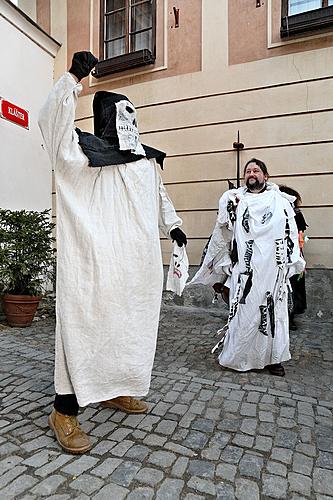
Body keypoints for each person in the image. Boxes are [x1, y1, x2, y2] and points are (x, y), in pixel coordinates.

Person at [38, 51, 187, 454]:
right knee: (82, 330)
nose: (129, 125)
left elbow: (159, 198)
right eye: (121, 116)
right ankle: (64, 411)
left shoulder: (144, 163)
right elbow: (51, 125)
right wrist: (72, 78)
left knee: (127, 330)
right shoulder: (79, 154)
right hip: (92, 265)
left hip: (135, 267)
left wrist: (173, 227)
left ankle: (114, 388)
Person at [190, 158, 305, 377]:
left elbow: (290, 233)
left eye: (256, 170)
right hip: (245, 272)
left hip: (273, 271)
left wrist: (292, 261)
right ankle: (240, 356)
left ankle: (273, 360)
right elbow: (222, 232)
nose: (252, 173)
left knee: (273, 314)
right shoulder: (234, 199)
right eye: (248, 170)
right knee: (245, 313)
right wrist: (219, 265)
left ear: (265, 176)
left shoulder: (280, 201)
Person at [279, 185, 308, 330]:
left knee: (293, 288)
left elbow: (300, 236)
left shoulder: (296, 214)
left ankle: (290, 318)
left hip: (294, 257)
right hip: (278, 258)